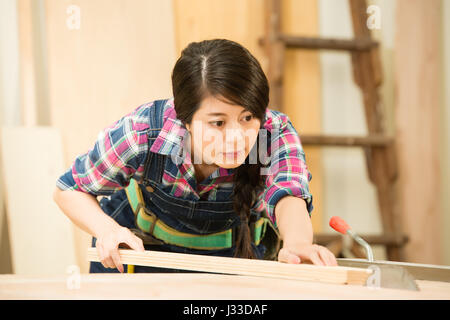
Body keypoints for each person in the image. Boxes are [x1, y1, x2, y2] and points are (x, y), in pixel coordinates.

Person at [53, 39, 338, 273]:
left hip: (233, 255)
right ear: (185, 119)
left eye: (248, 117)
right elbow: (70, 189)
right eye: (218, 123)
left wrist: (298, 242)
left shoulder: (271, 133)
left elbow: (288, 194)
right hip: (138, 253)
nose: (237, 137)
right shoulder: (142, 132)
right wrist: (108, 231)